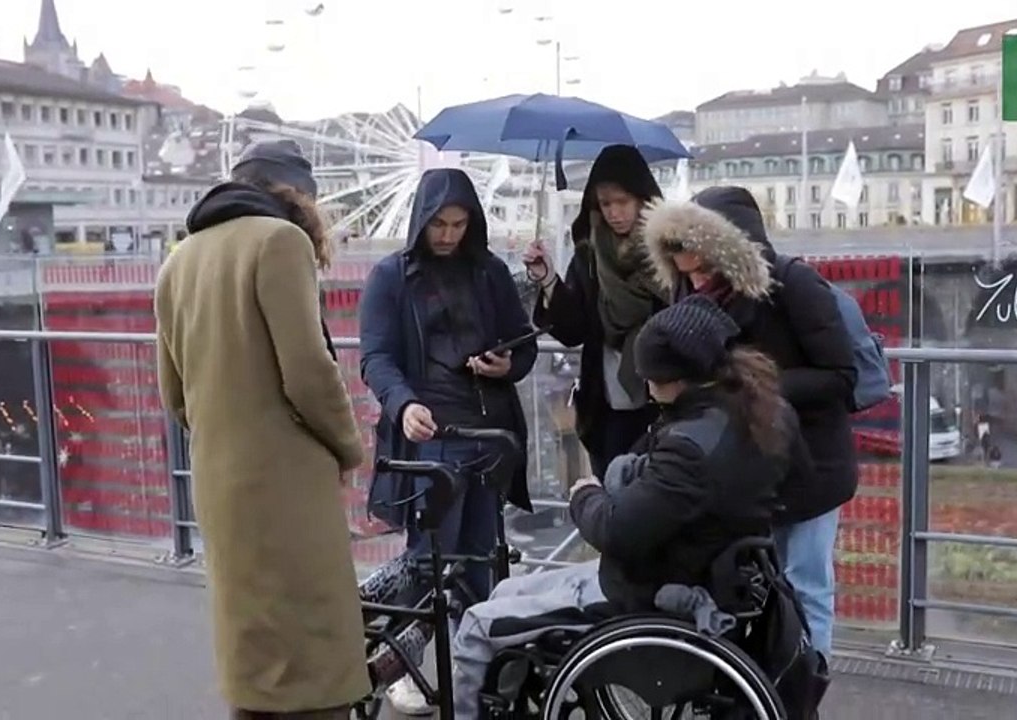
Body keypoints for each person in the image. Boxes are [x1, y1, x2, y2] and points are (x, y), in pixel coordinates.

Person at [451, 297, 815, 720]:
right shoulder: (768, 412)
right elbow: (801, 485)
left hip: (647, 589)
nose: (645, 388)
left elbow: (614, 530)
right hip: (706, 572)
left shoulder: (690, 448)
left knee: (477, 625)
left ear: (677, 379)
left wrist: (583, 495)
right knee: (505, 591)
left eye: (650, 378)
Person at [154, 140, 369, 720]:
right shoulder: (280, 241)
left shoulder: (181, 257)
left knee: (252, 655)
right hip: (287, 486)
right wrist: (349, 446)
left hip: (221, 483)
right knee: (314, 657)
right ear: (296, 193)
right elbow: (307, 370)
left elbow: (174, 394)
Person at [641, 187, 858, 663]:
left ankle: (804, 694)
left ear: (730, 253)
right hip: (747, 469)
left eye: (703, 270)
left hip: (812, 466)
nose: (695, 282)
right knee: (752, 588)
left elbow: (841, 377)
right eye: (686, 272)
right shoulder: (686, 290)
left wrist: (753, 387)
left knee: (806, 587)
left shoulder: (794, 285)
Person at [358, 168, 537, 715]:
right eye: (439, 223)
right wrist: (403, 403)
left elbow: (522, 347)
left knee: (479, 566)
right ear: (421, 220)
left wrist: (507, 363)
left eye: (459, 224)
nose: (449, 235)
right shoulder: (391, 276)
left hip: (488, 438)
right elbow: (376, 358)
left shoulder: (490, 273)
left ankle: (468, 683)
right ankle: (399, 660)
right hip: (429, 439)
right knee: (429, 563)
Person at [523, 144, 667, 479]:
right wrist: (547, 279)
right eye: (605, 204)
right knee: (613, 502)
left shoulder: (669, 251)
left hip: (662, 406)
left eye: (622, 201)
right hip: (606, 409)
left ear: (643, 199)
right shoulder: (589, 254)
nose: (615, 213)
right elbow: (574, 329)